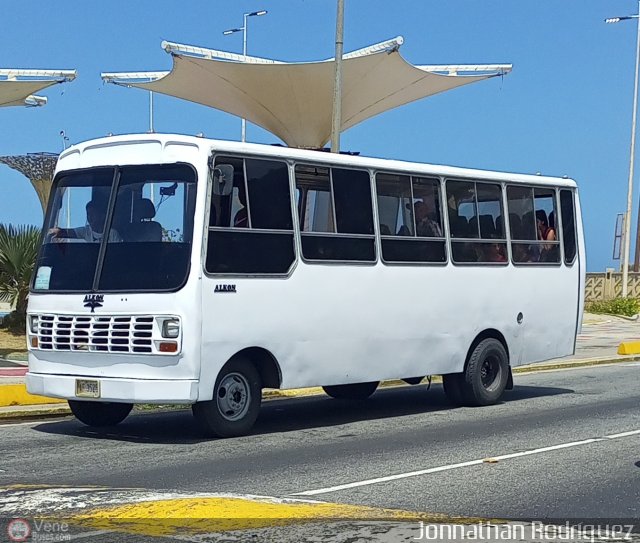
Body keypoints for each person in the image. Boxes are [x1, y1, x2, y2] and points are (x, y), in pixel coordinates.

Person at [49, 199, 121, 242]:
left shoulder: (112, 234)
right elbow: (68, 233)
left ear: (102, 216)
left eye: (93, 214)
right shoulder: (86, 231)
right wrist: (55, 231)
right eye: (88, 214)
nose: (90, 217)